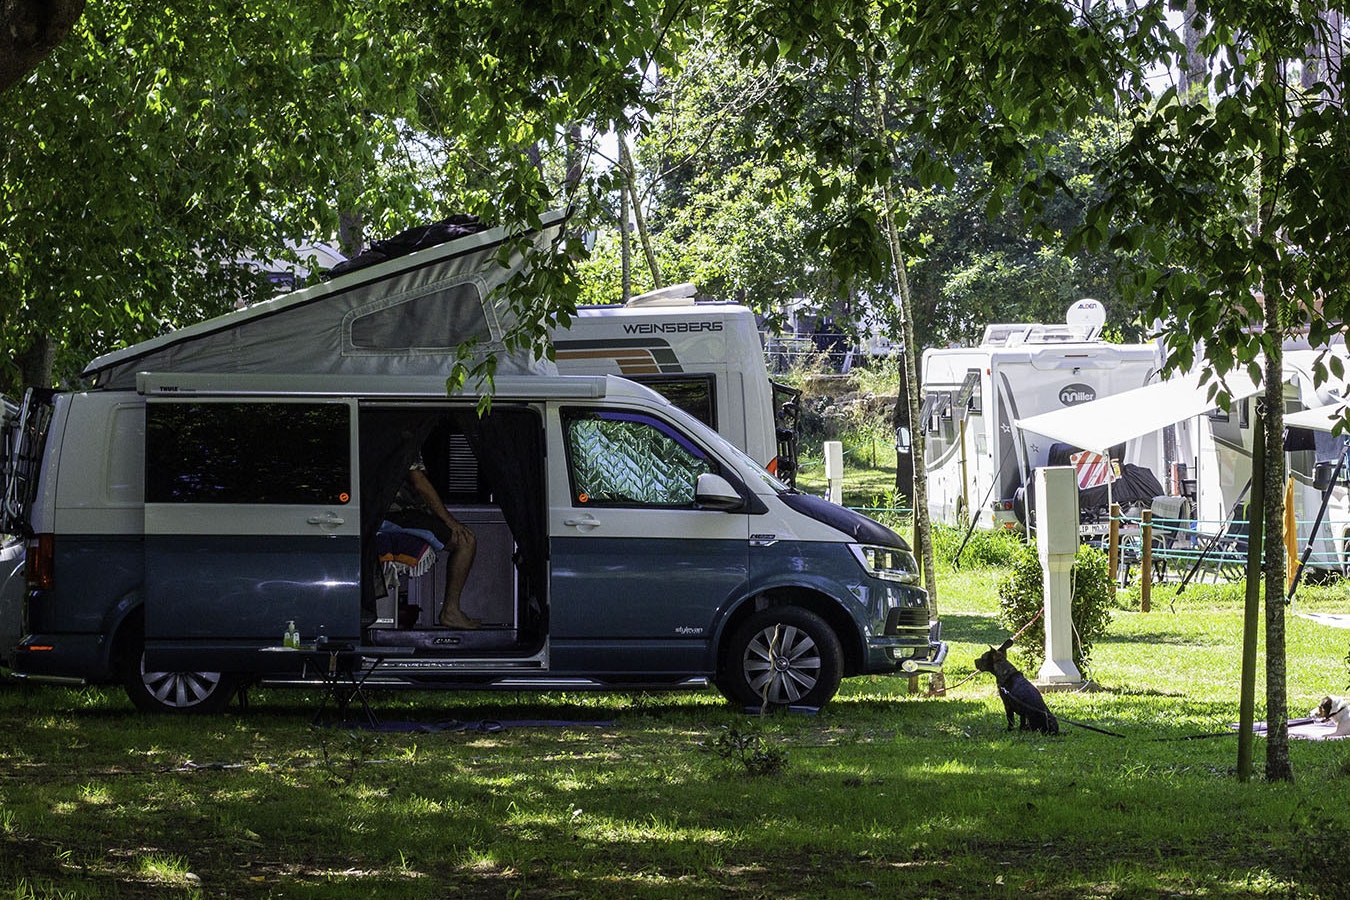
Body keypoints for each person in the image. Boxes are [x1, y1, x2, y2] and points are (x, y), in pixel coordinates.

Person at [385, 454, 480, 629]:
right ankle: (450, 611)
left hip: (382, 510)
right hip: (394, 512)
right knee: (466, 541)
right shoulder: (404, 433)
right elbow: (419, 483)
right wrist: (451, 522)